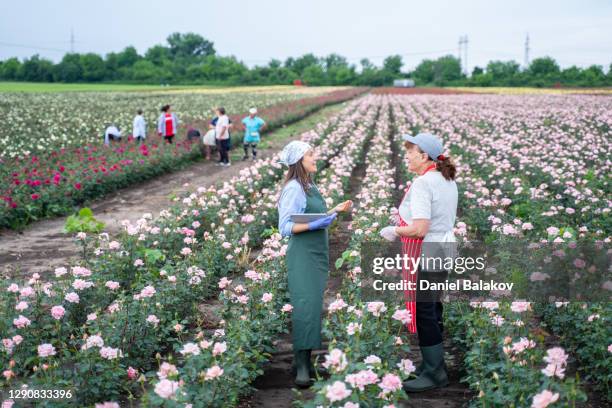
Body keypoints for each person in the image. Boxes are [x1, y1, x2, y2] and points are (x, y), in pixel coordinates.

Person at [379, 132, 458, 393]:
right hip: (444, 248)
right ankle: (431, 365)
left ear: (424, 155)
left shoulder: (424, 183)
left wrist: (394, 230)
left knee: (425, 309)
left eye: (410, 152)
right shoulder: (445, 179)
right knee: (433, 307)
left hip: (430, 249)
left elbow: (420, 228)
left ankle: (435, 373)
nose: (407, 157)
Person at [277, 140, 352, 388]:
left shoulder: (308, 184)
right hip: (303, 255)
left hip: (316, 254)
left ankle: (307, 361)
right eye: (311, 154)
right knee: (305, 306)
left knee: (312, 305)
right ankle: (300, 364)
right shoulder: (294, 188)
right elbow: (285, 227)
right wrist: (312, 225)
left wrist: (333, 212)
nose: (315, 157)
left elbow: (311, 215)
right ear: (299, 160)